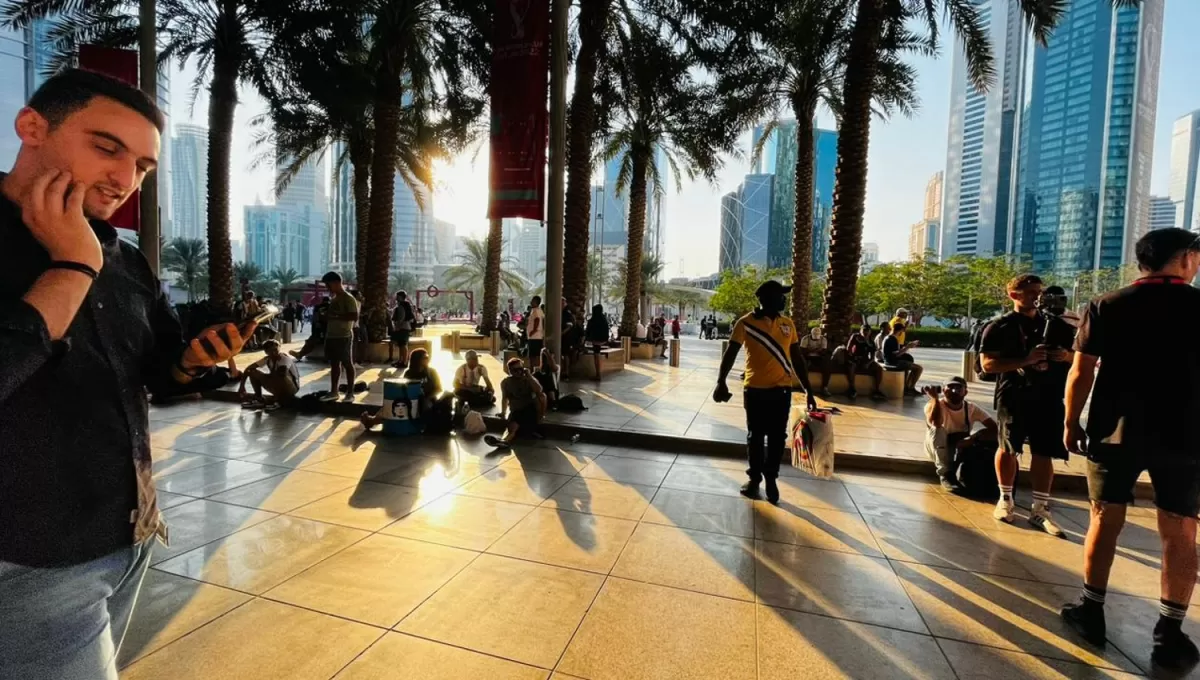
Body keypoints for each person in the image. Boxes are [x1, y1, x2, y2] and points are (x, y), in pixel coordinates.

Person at [0, 69, 253, 680]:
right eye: (106, 147)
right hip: (28, 553)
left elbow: (152, 373)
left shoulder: (125, 258)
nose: (124, 178)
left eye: (141, 165)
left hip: (126, 532)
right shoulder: (80, 253)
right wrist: (70, 266)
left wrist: (190, 363)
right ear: (32, 126)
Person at [1059, 228, 1200, 671]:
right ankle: (1169, 631)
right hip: (1186, 436)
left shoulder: (1107, 305)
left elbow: (1081, 373)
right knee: (1180, 528)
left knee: (1105, 516)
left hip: (1114, 431)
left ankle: (1091, 610)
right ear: (1186, 259)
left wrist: (1070, 420)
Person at [979, 274, 1072, 535]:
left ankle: (1040, 508)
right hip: (1014, 394)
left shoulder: (1058, 326)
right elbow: (988, 365)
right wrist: (1026, 360)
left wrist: (1065, 355)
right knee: (1008, 446)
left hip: (1049, 395)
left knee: (1045, 451)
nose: (1037, 296)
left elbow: (1080, 357)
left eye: (1039, 291)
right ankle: (1005, 499)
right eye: (1030, 291)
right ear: (1013, 295)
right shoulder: (999, 327)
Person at [714, 280, 818, 505]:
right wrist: (721, 381)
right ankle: (754, 480)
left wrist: (809, 390)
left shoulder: (788, 324)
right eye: (780, 295)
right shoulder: (746, 323)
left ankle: (771, 479)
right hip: (755, 390)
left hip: (781, 391)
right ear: (767, 298)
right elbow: (731, 353)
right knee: (755, 436)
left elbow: (797, 359)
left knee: (778, 437)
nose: (784, 299)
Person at [923, 378, 997, 493]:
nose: (954, 391)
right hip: (937, 446)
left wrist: (974, 438)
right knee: (939, 430)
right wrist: (935, 399)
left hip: (958, 446)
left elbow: (995, 428)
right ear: (943, 390)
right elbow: (935, 423)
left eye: (958, 388)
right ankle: (945, 474)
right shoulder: (933, 405)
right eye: (950, 387)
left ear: (965, 392)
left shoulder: (971, 408)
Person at [486, 357, 546, 449]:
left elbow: (539, 390)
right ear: (510, 371)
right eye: (515, 370)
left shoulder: (528, 379)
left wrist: (529, 376)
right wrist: (503, 412)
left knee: (542, 396)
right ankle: (504, 440)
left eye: (520, 369)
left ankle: (505, 440)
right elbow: (505, 398)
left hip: (530, 410)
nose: (519, 372)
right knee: (513, 425)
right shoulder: (506, 382)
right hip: (517, 411)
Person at [320, 271, 359, 402]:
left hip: (343, 336)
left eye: (328, 284)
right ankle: (334, 391)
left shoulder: (348, 298)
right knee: (334, 364)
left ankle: (350, 393)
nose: (327, 287)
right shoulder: (335, 298)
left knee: (347, 363)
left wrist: (335, 316)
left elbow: (354, 316)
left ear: (336, 283)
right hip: (331, 335)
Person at [238, 339, 301, 411]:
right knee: (252, 372)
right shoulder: (267, 359)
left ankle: (278, 401)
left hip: (291, 387)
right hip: (276, 384)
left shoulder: (284, 359)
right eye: (271, 351)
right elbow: (248, 369)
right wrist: (242, 386)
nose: (274, 353)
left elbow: (282, 374)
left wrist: (266, 378)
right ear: (266, 352)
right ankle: (259, 399)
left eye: (275, 350)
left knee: (280, 375)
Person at [835, 323, 887, 400]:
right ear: (860, 331)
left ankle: (877, 390)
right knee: (851, 366)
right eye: (864, 330)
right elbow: (848, 348)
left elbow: (872, 357)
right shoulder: (855, 337)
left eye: (867, 331)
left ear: (870, 332)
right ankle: (852, 388)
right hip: (854, 358)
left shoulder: (871, 343)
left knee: (878, 368)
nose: (865, 332)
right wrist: (850, 356)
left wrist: (868, 363)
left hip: (865, 360)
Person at [880, 322, 924, 396]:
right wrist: (907, 347)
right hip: (893, 362)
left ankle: (907, 386)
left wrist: (908, 346)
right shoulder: (892, 339)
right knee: (919, 368)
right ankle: (911, 388)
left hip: (890, 361)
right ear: (900, 330)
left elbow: (896, 351)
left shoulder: (888, 337)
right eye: (902, 331)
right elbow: (896, 355)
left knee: (912, 366)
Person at [799, 326, 834, 397]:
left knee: (827, 367)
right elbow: (802, 351)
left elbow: (823, 351)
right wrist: (817, 350)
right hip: (807, 357)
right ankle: (805, 387)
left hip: (819, 358)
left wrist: (810, 350)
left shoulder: (823, 339)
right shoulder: (805, 339)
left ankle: (824, 387)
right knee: (803, 367)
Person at [584, 303, 611, 381]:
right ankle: (598, 374)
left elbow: (588, 332)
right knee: (597, 353)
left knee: (596, 355)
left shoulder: (592, 320)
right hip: (604, 340)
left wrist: (587, 338)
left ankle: (598, 374)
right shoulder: (604, 319)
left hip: (595, 341)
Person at [389, 290, 414, 368]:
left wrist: (398, 326)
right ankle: (401, 360)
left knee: (403, 345)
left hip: (403, 327)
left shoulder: (402, 305)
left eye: (397, 296)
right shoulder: (404, 305)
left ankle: (404, 362)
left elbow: (401, 317)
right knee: (401, 345)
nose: (396, 298)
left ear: (400, 297)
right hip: (404, 327)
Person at [526, 295, 545, 369]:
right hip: (538, 336)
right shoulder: (539, 310)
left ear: (536, 302)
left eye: (532, 301)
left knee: (532, 356)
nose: (531, 302)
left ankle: (532, 369)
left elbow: (537, 320)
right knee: (536, 355)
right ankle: (535, 368)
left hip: (534, 336)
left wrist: (533, 330)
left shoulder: (535, 310)